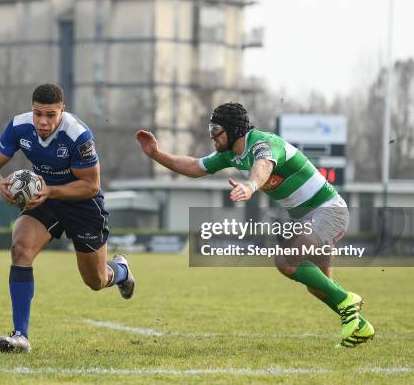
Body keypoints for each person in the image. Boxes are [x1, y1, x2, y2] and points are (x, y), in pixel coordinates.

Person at [135, 102, 374, 348]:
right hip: (309, 218)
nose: (212, 136)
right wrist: (156, 154)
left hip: (328, 211)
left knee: (286, 261)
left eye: (216, 130)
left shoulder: (262, 144)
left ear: (233, 129)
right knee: (318, 287)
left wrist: (249, 186)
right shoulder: (231, 154)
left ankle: (348, 301)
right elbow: (195, 167)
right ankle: (360, 325)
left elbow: (263, 166)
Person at [0, 83, 135, 353]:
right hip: (44, 200)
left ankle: (121, 271)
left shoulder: (78, 135)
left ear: (62, 110)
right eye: (38, 113)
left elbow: (91, 185)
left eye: (50, 115)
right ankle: (20, 336)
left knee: (96, 281)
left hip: (82, 203)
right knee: (20, 249)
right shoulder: (19, 126)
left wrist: (49, 189)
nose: (43, 121)